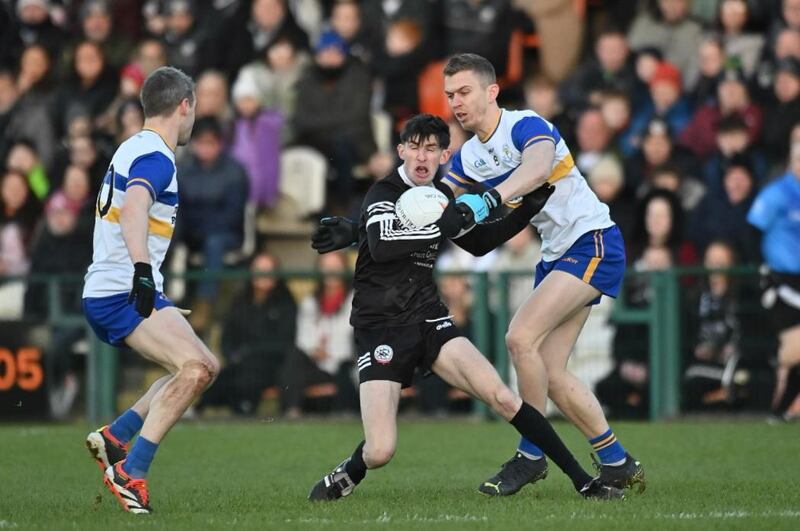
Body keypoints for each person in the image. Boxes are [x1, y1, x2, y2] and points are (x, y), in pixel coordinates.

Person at [311, 54, 646, 497]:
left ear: (492, 92)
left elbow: (538, 167)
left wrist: (490, 199)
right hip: (558, 253)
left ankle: (530, 455)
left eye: (465, 92)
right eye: (450, 95)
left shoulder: (526, 125)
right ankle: (616, 461)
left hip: (592, 241)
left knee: (519, 338)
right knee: (551, 370)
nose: (457, 103)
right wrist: (359, 227)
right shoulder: (469, 155)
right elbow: (431, 206)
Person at [82, 66, 220, 514]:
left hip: (118, 286)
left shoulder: (134, 146)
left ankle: (116, 436)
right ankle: (131, 473)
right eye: (194, 108)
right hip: (121, 291)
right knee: (194, 369)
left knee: (203, 366)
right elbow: (136, 205)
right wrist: (143, 269)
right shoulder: (156, 157)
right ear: (184, 106)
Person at [747, 142, 800, 421]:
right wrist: (764, 272)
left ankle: (779, 412)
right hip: (782, 280)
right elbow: (752, 230)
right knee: (793, 348)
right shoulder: (778, 193)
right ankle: (769, 398)